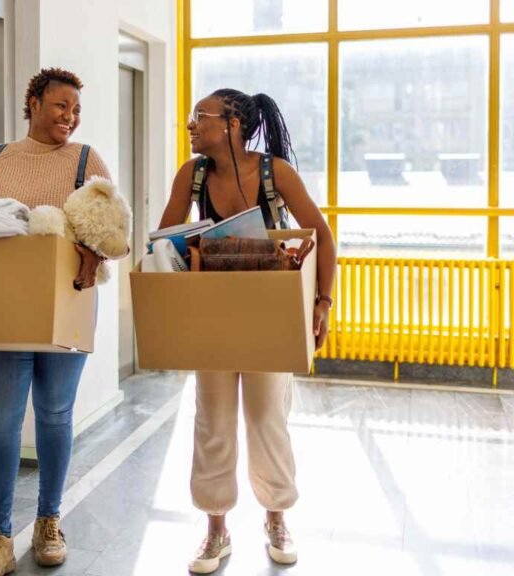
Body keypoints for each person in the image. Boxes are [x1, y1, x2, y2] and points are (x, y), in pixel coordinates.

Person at [158, 89, 336, 573]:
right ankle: (215, 530)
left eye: (201, 117)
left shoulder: (274, 173)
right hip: (211, 318)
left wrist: (322, 302)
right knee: (212, 422)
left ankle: (276, 520)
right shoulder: (191, 175)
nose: (192, 126)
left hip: (268, 319)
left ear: (233, 123)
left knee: (266, 419)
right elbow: (163, 242)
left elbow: (320, 234)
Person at [0, 68, 113, 576]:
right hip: (3, 307)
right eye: (60, 106)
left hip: (67, 303)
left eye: (75, 110)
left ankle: (49, 521)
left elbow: (114, 233)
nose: (70, 117)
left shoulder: (86, 160)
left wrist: (95, 256)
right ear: (33, 102)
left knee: (53, 415)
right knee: (0, 421)